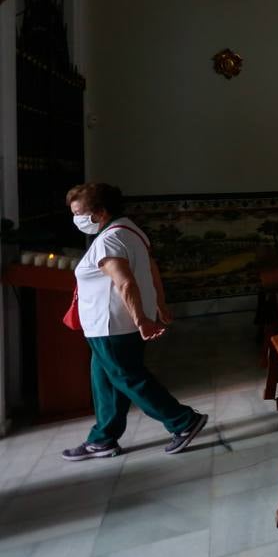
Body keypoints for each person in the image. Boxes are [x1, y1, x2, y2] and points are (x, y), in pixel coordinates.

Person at [61, 182, 208, 460]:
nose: (76, 219)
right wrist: (159, 305)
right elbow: (152, 270)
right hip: (109, 326)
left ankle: (183, 421)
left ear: (100, 212)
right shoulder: (130, 230)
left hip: (111, 326)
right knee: (106, 382)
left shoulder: (108, 240)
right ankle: (103, 439)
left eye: (80, 213)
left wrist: (142, 319)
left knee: (130, 378)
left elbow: (125, 283)